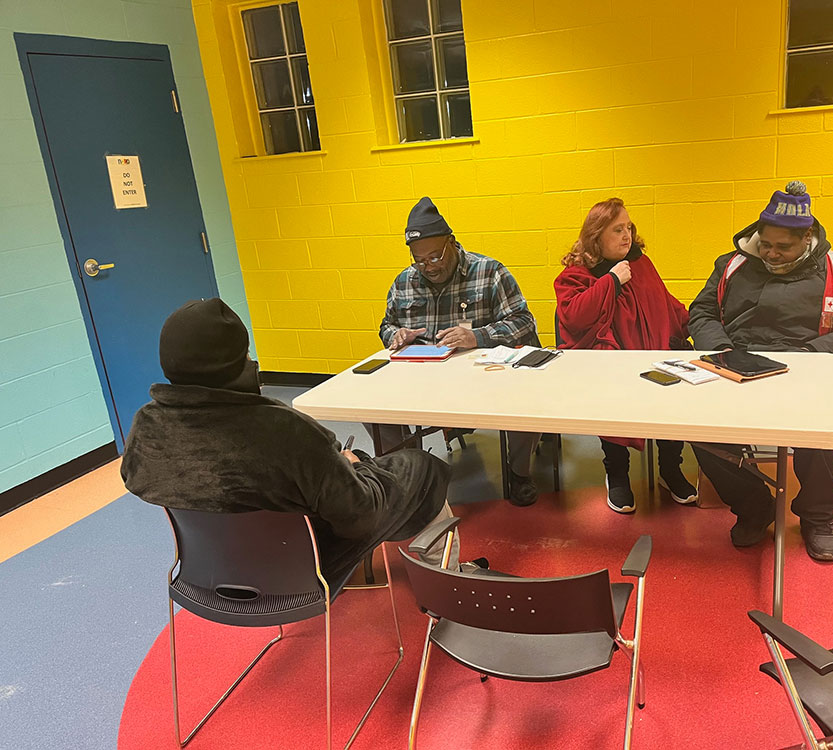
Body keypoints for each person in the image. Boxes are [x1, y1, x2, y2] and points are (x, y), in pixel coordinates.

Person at [121, 298, 472, 584]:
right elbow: (358, 518)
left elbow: (140, 480)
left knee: (351, 465)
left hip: (208, 575)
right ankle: (449, 583)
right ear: (235, 362)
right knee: (420, 467)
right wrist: (353, 472)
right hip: (304, 570)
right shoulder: (284, 431)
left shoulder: (147, 425)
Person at [687, 181, 833, 561]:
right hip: (736, 367)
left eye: (782, 247)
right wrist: (725, 350)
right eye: (765, 244)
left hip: (808, 370)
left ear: (806, 237)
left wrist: (810, 354)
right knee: (694, 427)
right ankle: (753, 507)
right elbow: (702, 313)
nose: (771, 254)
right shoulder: (732, 265)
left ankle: (818, 516)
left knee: (823, 431)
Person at [377, 196, 542, 507]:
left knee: (526, 401)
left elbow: (523, 321)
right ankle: (405, 474)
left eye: (435, 257)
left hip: (485, 379)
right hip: (425, 381)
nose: (429, 267)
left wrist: (476, 337)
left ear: (452, 243)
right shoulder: (404, 282)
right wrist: (395, 335)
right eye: (420, 260)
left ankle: (518, 472)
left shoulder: (489, 272)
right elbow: (386, 325)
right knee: (373, 409)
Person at [554, 197, 699, 514]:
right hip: (609, 368)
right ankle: (617, 474)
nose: (626, 236)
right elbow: (573, 316)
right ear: (596, 236)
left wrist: (698, 322)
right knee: (612, 402)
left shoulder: (641, 264)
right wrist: (611, 281)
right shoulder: (576, 274)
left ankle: (670, 470)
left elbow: (665, 304)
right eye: (617, 229)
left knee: (671, 399)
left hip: (653, 360)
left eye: (629, 228)